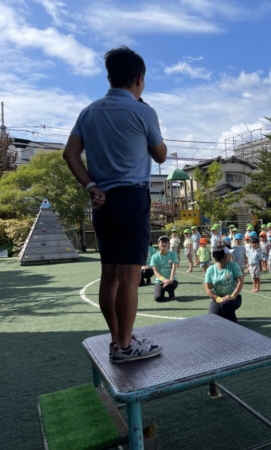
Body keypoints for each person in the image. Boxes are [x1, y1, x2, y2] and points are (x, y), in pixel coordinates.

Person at [63, 46, 166, 363]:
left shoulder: (89, 112)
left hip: (102, 200)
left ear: (108, 76)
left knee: (109, 275)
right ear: (139, 78)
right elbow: (160, 155)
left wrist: (91, 185)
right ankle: (126, 345)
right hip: (132, 198)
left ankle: (116, 340)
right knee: (130, 278)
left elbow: (70, 154)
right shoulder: (143, 111)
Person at [204, 245, 244, 322]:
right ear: (221, 256)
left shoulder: (233, 265)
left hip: (234, 297)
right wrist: (218, 299)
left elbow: (240, 282)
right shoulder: (210, 269)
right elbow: (208, 289)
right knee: (212, 317)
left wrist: (232, 296)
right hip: (217, 298)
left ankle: (232, 321)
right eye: (228, 254)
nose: (230, 255)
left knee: (225, 306)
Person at [150, 235, 179, 302]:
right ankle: (162, 292)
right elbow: (155, 271)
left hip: (172, 280)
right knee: (158, 298)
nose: (164, 243)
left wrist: (171, 279)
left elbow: (174, 267)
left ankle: (171, 294)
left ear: (168, 244)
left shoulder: (173, 254)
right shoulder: (154, 257)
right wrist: (163, 279)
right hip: (160, 280)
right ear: (158, 244)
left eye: (166, 242)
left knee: (169, 286)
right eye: (162, 242)